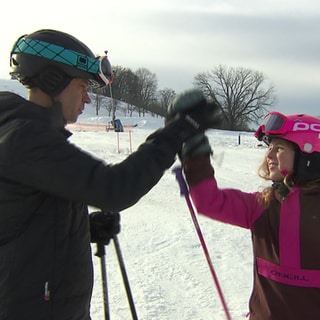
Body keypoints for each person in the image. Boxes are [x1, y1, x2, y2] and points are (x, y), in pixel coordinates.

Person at [0, 29, 219, 320]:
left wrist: (80, 226)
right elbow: (115, 189)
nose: (87, 100)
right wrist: (178, 131)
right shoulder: (25, 138)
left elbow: (23, 214)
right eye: (82, 86)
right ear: (54, 80)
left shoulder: (24, 133)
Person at [180, 109, 320, 320]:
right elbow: (210, 201)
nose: (269, 155)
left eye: (279, 148)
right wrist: (196, 156)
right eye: (269, 147)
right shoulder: (262, 204)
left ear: (309, 156)